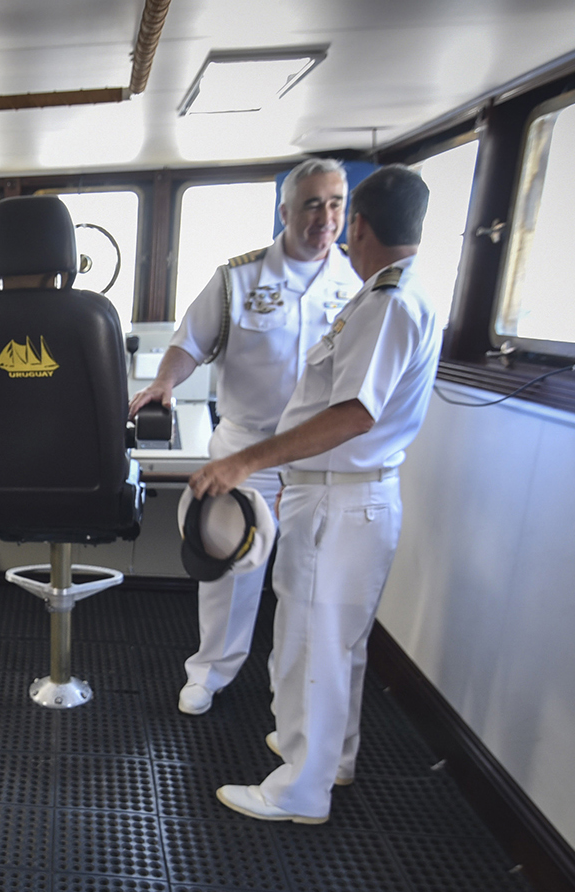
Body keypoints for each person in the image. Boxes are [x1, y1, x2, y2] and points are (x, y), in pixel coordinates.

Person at [187, 164, 440, 825]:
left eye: (338, 210)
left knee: (313, 641)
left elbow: (354, 412)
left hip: (338, 500)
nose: (329, 222)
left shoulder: (385, 304)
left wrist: (247, 459)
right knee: (339, 642)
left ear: (356, 224)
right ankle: (333, 755)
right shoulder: (391, 293)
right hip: (351, 496)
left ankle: (299, 789)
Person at [128, 159, 361, 716]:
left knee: (307, 579)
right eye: (311, 204)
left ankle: (291, 690)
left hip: (317, 455)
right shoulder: (238, 279)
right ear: (284, 212)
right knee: (229, 568)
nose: (324, 217)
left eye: (334, 204)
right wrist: (164, 382)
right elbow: (191, 341)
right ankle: (209, 672)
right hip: (243, 448)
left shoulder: (356, 286)